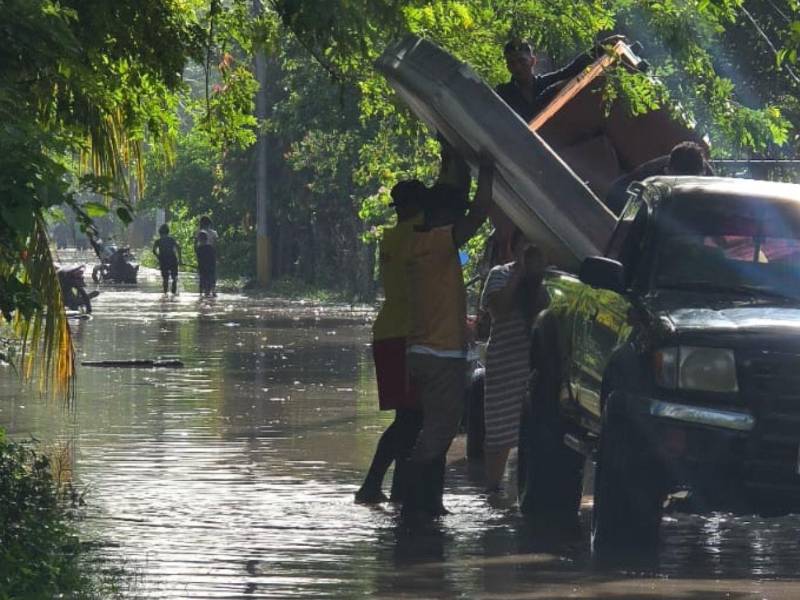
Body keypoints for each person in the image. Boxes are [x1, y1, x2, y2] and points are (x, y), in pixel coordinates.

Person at [401, 163, 494, 519]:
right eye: (455, 212)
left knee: (434, 431)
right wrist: (490, 164)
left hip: (421, 351)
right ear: (445, 214)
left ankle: (426, 507)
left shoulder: (417, 242)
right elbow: (481, 211)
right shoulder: (441, 241)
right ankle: (415, 509)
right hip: (440, 355)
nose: (461, 219)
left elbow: (449, 276)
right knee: (437, 434)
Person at [354, 180, 427, 504]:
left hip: (391, 334)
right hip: (404, 336)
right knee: (411, 418)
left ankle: (396, 488)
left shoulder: (393, 237)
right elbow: (457, 259)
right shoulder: (417, 237)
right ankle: (372, 484)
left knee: (409, 417)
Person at [480, 233, 549, 491]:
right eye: (525, 247)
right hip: (503, 366)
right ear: (514, 248)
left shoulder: (550, 281)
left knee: (537, 435)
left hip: (536, 370)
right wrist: (518, 272)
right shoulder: (500, 274)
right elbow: (497, 310)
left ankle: (530, 492)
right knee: (498, 436)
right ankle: (492, 491)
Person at [497, 36, 625, 122]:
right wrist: (551, 92)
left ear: (532, 61)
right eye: (512, 63)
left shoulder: (546, 82)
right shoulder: (503, 93)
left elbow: (573, 69)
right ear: (507, 66)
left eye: (521, 61)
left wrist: (604, 45)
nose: (517, 67)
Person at [605, 141, 712, 215]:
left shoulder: (711, 187)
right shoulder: (651, 174)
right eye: (677, 183)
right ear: (667, 171)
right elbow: (616, 193)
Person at [153, 223, 181, 295]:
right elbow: (178, 248)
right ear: (168, 232)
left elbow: (154, 250)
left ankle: (165, 294)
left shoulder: (158, 241)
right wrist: (180, 259)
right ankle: (174, 285)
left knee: (165, 278)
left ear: (160, 233)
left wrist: (158, 256)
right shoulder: (171, 239)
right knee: (174, 276)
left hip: (163, 260)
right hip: (172, 259)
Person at [196, 216, 218, 295]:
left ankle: (201, 290)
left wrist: (197, 255)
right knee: (212, 272)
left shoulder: (198, 232)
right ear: (209, 223)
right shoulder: (214, 233)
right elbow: (216, 245)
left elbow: (195, 245)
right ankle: (213, 289)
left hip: (201, 254)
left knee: (202, 272)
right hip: (211, 254)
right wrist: (217, 256)